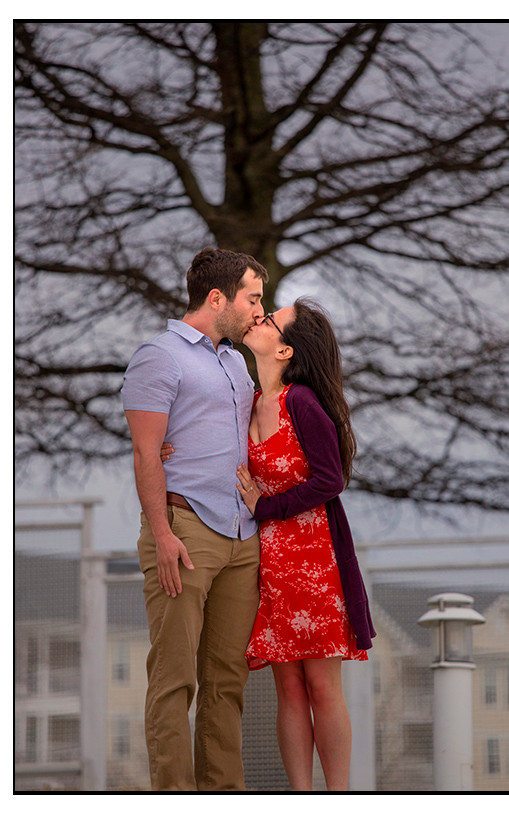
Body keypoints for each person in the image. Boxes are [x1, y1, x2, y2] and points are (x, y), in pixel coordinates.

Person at [121, 246, 268, 792]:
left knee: (226, 684)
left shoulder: (235, 359)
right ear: (217, 297)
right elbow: (145, 452)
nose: (259, 308)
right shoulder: (159, 356)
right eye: (252, 297)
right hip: (184, 532)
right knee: (174, 679)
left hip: (242, 537)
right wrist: (161, 533)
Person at [235, 298, 375, 791]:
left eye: (271, 318)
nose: (260, 317)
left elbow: (330, 480)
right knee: (288, 691)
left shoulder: (302, 402)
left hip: (315, 562)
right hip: (269, 564)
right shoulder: (247, 400)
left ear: (285, 349)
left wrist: (265, 508)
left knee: (320, 687)